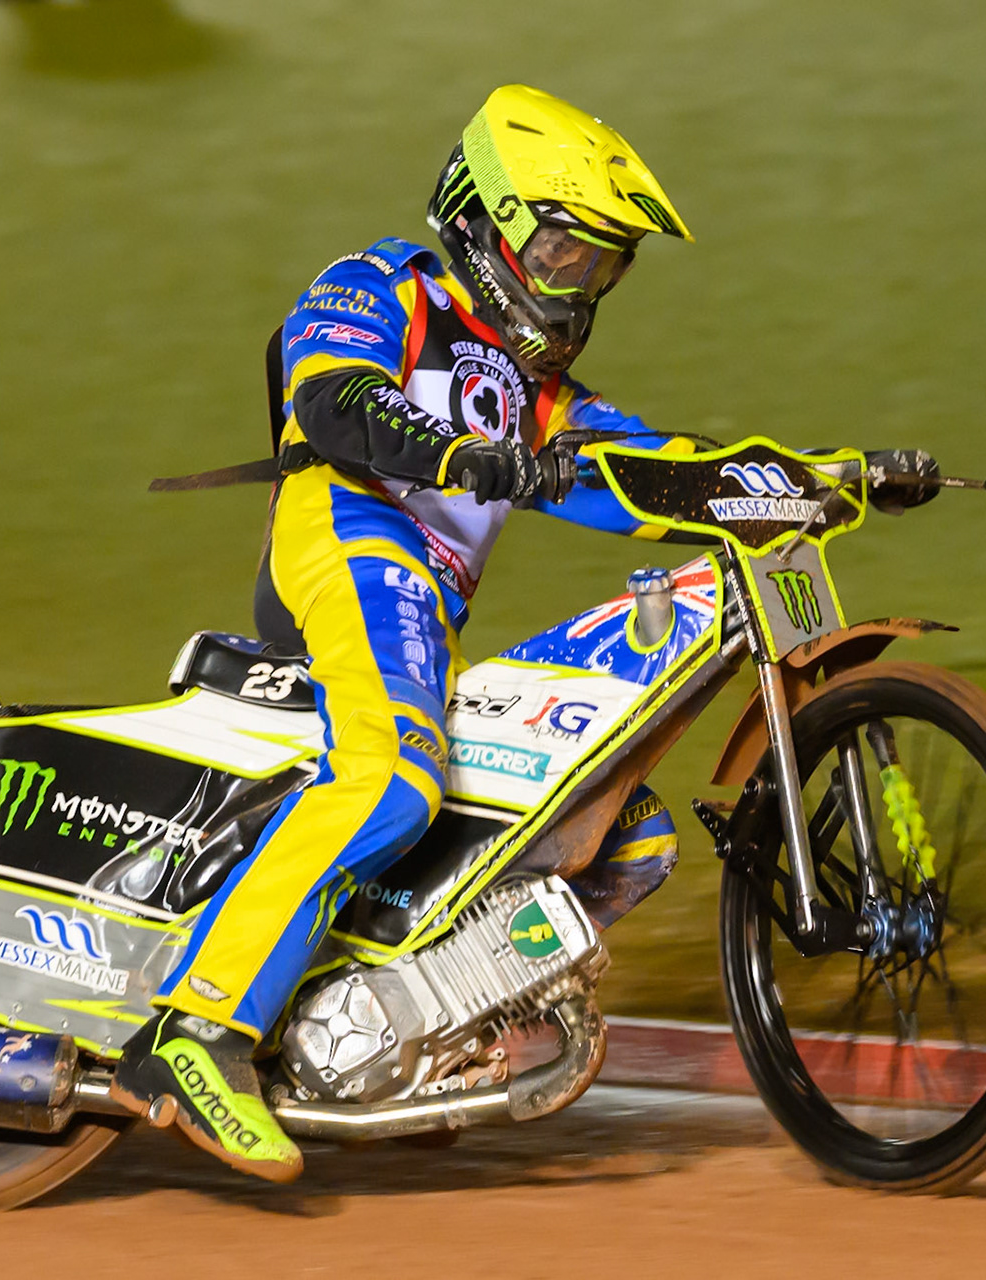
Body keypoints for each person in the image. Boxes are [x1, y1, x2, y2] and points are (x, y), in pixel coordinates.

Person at [109, 84, 705, 1182]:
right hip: (347, 535)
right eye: (565, 253)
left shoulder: (543, 394)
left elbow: (665, 470)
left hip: (425, 611)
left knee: (622, 831)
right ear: (485, 220)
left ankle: (411, 1027)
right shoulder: (385, 282)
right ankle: (196, 1030)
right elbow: (332, 400)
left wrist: (833, 479)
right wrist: (457, 453)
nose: (578, 286)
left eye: (601, 268)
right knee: (393, 776)